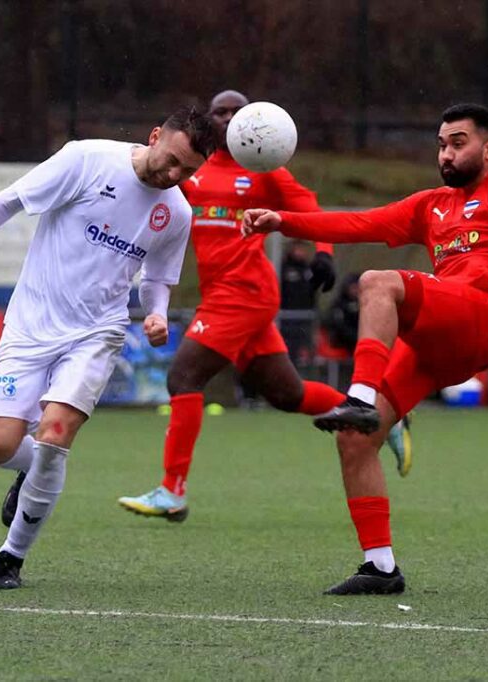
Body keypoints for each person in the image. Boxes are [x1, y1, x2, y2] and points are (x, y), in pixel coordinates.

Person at [243, 103, 488, 595]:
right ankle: (380, 567)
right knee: (355, 440)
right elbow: (359, 224)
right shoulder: (431, 205)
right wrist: (282, 221)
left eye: (457, 142)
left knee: (378, 282)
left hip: (482, 320)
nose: (446, 152)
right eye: (441, 144)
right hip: (439, 339)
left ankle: (359, 394)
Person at [0, 106, 215, 589]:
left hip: (97, 332)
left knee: (55, 434)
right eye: (172, 159)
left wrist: (156, 311)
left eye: (187, 171)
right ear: (155, 135)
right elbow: (9, 202)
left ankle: (10, 559)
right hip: (30, 324)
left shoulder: (175, 212)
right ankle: (33, 474)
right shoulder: (87, 160)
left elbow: (157, 279)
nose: (173, 175)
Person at [117, 90, 412, 523]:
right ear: (211, 119)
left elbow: (307, 206)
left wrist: (324, 251)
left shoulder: (263, 170)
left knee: (183, 377)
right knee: (286, 394)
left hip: (244, 294)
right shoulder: (194, 169)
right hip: (226, 296)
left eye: (238, 112)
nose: (231, 119)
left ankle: (172, 490)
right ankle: (382, 416)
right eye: (222, 112)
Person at [280, 239, 319, 366]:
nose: (301, 252)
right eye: (298, 248)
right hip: (286, 318)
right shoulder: (283, 268)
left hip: (305, 318)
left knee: (303, 352)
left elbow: (313, 293)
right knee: (287, 349)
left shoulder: (308, 270)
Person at [324, 273, 362, 353]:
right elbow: (336, 324)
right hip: (343, 342)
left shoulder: (364, 303)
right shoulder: (339, 305)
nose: (355, 291)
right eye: (353, 287)